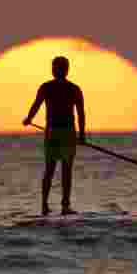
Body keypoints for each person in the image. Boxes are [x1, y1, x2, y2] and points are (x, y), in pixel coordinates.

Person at [23, 56, 86, 216]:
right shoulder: (73, 88)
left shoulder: (48, 87)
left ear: (58, 70)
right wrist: (82, 135)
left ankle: (47, 206)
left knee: (51, 170)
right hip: (65, 132)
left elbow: (36, 105)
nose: (53, 69)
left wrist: (29, 119)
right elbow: (81, 114)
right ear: (66, 70)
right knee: (64, 170)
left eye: (55, 67)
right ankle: (62, 206)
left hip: (55, 132)